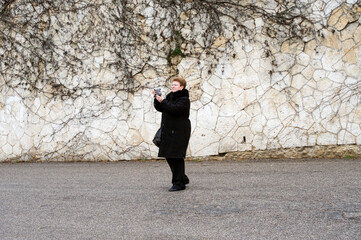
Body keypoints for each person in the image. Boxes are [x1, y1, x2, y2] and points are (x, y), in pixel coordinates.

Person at [153, 77, 191, 192]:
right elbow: (161, 108)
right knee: (168, 155)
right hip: (168, 131)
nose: (173, 86)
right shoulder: (170, 97)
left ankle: (178, 183)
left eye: (175, 85)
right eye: (172, 84)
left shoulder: (184, 99)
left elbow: (174, 109)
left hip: (179, 132)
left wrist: (163, 101)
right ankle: (182, 177)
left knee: (177, 156)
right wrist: (157, 99)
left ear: (181, 87)